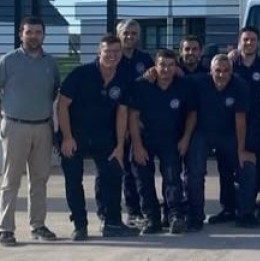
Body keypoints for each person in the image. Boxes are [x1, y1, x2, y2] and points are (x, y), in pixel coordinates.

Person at [57, 34, 139, 241]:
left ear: (121, 54)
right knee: (73, 180)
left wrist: (119, 146)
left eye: (116, 52)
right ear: (98, 52)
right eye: (107, 51)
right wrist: (67, 137)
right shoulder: (80, 74)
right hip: (75, 135)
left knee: (112, 175)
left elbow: (122, 112)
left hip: (104, 136)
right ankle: (80, 225)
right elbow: (62, 104)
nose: (112, 55)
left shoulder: (123, 77)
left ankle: (111, 222)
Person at [0, 17, 61, 246]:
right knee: (11, 180)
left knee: (39, 180)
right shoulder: (8, 61)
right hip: (15, 126)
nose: (34, 36)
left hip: (43, 127)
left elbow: (55, 92)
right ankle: (5, 228)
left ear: (44, 35)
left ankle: (38, 225)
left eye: (38, 32)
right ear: (20, 34)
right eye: (29, 32)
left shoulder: (50, 63)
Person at [127, 49, 197, 234]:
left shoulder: (183, 86)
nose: (166, 69)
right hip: (145, 138)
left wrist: (185, 139)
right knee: (143, 180)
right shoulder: (142, 85)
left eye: (170, 65)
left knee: (173, 178)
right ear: (155, 66)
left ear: (176, 67)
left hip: (172, 139)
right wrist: (137, 145)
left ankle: (174, 216)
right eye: (162, 65)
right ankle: (152, 218)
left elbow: (192, 115)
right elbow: (133, 116)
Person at [184, 55, 256, 231]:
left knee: (246, 165)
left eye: (226, 71)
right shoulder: (198, 83)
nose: (222, 74)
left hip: (228, 133)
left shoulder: (240, 85)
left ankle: (244, 214)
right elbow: (191, 114)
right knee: (195, 171)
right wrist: (186, 139)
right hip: (202, 132)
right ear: (210, 71)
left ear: (232, 72)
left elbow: (240, 119)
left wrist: (241, 150)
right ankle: (195, 216)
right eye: (218, 70)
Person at [230, 26, 260, 221]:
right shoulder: (230, 65)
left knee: (250, 168)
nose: (249, 43)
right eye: (245, 39)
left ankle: (246, 210)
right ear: (239, 42)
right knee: (228, 170)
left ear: (258, 43)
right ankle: (229, 209)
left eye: (253, 40)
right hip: (229, 125)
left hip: (255, 125)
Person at [115, 18, 151, 225]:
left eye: (133, 33)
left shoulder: (145, 59)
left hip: (138, 120)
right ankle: (131, 211)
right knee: (124, 170)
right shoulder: (112, 57)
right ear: (119, 35)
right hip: (116, 120)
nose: (129, 37)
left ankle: (145, 209)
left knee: (139, 167)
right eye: (126, 33)